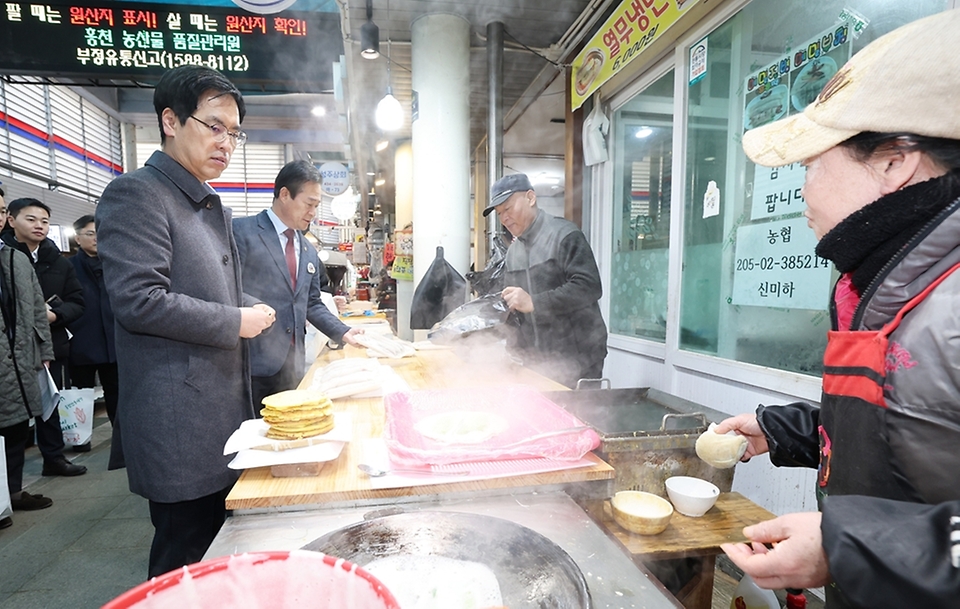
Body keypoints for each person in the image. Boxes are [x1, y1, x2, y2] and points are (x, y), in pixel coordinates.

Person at [716, 11, 960, 609]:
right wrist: (786, 429)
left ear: (894, 162)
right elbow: (918, 434)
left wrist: (844, 546)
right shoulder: (886, 281)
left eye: (811, 164)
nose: (802, 189)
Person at [95, 65, 275, 578]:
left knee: (215, 552)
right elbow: (139, 300)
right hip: (179, 422)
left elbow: (207, 287)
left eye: (235, 132)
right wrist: (234, 320)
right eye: (213, 126)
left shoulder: (203, 200)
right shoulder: (138, 193)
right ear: (170, 120)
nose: (227, 143)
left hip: (217, 413)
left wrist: (252, 305)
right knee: (184, 559)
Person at [233, 160, 362, 409]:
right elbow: (223, 286)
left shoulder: (306, 248)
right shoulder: (242, 232)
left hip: (292, 364)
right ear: (284, 194)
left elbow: (311, 302)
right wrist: (254, 305)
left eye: (317, 205)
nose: (313, 212)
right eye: (309, 204)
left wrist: (342, 331)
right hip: (251, 363)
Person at [483, 173, 607, 387]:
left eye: (508, 208)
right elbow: (516, 307)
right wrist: (512, 348)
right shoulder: (514, 252)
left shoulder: (565, 234)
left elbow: (589, 287)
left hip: (578, 356)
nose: (504, 218)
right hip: (538, 360)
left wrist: (535, 302)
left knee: (577, 417)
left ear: (530, 198)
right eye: (499, 213)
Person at [1, 198, 87, 477]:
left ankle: (54, 458)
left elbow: (77, 301)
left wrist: (55, 315)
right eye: (31, 219)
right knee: (12, 415)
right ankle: (10, 482)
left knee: (50, 404)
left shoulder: (58, 261)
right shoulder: (9, 257)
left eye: (45, 220)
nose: (39, 225)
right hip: (11, 348)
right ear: (12, 220)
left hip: (49, 343)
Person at [0, 193, 56, 530]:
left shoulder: (14, 258)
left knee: (16, 426)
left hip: (19, 357)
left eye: (1, 210)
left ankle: (13, 492)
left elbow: (37, 307)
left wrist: (44, 350)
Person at [67, 215, 118, 439]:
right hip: (82, 341)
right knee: (81, 395)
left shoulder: (115, 265)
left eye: (99, 232)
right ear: (77, 238)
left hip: (112, 342)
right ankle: (80, 439)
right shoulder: (68, 267)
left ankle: (121, 438)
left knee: (116, 394)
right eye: (90, 233)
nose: (96, 238)